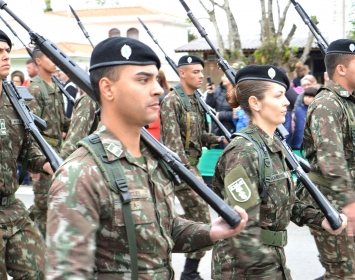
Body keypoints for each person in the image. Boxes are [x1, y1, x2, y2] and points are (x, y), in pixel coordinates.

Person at [46, 36, 248, 279]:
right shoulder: (81, 173)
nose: (158, 89)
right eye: (143, 80)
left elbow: (162, 228)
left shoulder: (152, 160)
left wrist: (210, 232)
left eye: (155, 79)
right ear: (107, 88)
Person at [211, 65, 347, 279]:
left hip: (270, 259)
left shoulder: (274, 145)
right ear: (255, 103)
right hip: (246, 267)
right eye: (278, 96)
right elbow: (244, 229)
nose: (287, 102)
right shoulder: (243, 152)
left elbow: (286, 201)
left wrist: (320, 219)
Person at [160, 55, 229, 280]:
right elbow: (173, 145)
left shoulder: (196, 100)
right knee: (200, 217)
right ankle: (188, 272)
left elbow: (198, 136)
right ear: (182, 74)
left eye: (201, 72)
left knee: (196, 218)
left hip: (191, 167)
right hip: (178, 170)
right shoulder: (172, 101)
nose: (201, 76)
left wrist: (218, 140)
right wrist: (192, 177)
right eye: (195, 72)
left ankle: (189, 270)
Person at [298, 38, 355, 279]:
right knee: (344, 272)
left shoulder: (348, 102)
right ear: (341, 69)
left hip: (345, 196)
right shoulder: (326, 104)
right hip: (331, 201)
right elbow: (332, 160)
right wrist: (349, 203)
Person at [0, 29, 53, 279]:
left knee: (39, 271)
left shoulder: (14, 102)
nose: (6, 56)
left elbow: (26, 150)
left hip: (11, 208)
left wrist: (47, 163)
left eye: (7, 51)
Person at [27, 46, 71, 238]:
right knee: (44, 204)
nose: (54, 61)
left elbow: (63, 121)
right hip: (43, 152)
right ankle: (47, 250)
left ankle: (27, 221)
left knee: (57, 201)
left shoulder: (56, 85)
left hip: (58, 150)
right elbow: (30, 128)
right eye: (49, 57)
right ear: (38, 61)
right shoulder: (35, 88)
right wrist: (33, 166)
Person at [206, 74, 235, 148]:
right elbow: (210, 105)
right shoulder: (219, 89)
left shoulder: (236, 92)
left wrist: (221, 115)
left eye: (226, 76)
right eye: (223, 76)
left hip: (230, 129)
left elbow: (239, 114)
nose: (223, 78)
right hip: (217, 128)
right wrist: (210, 93)